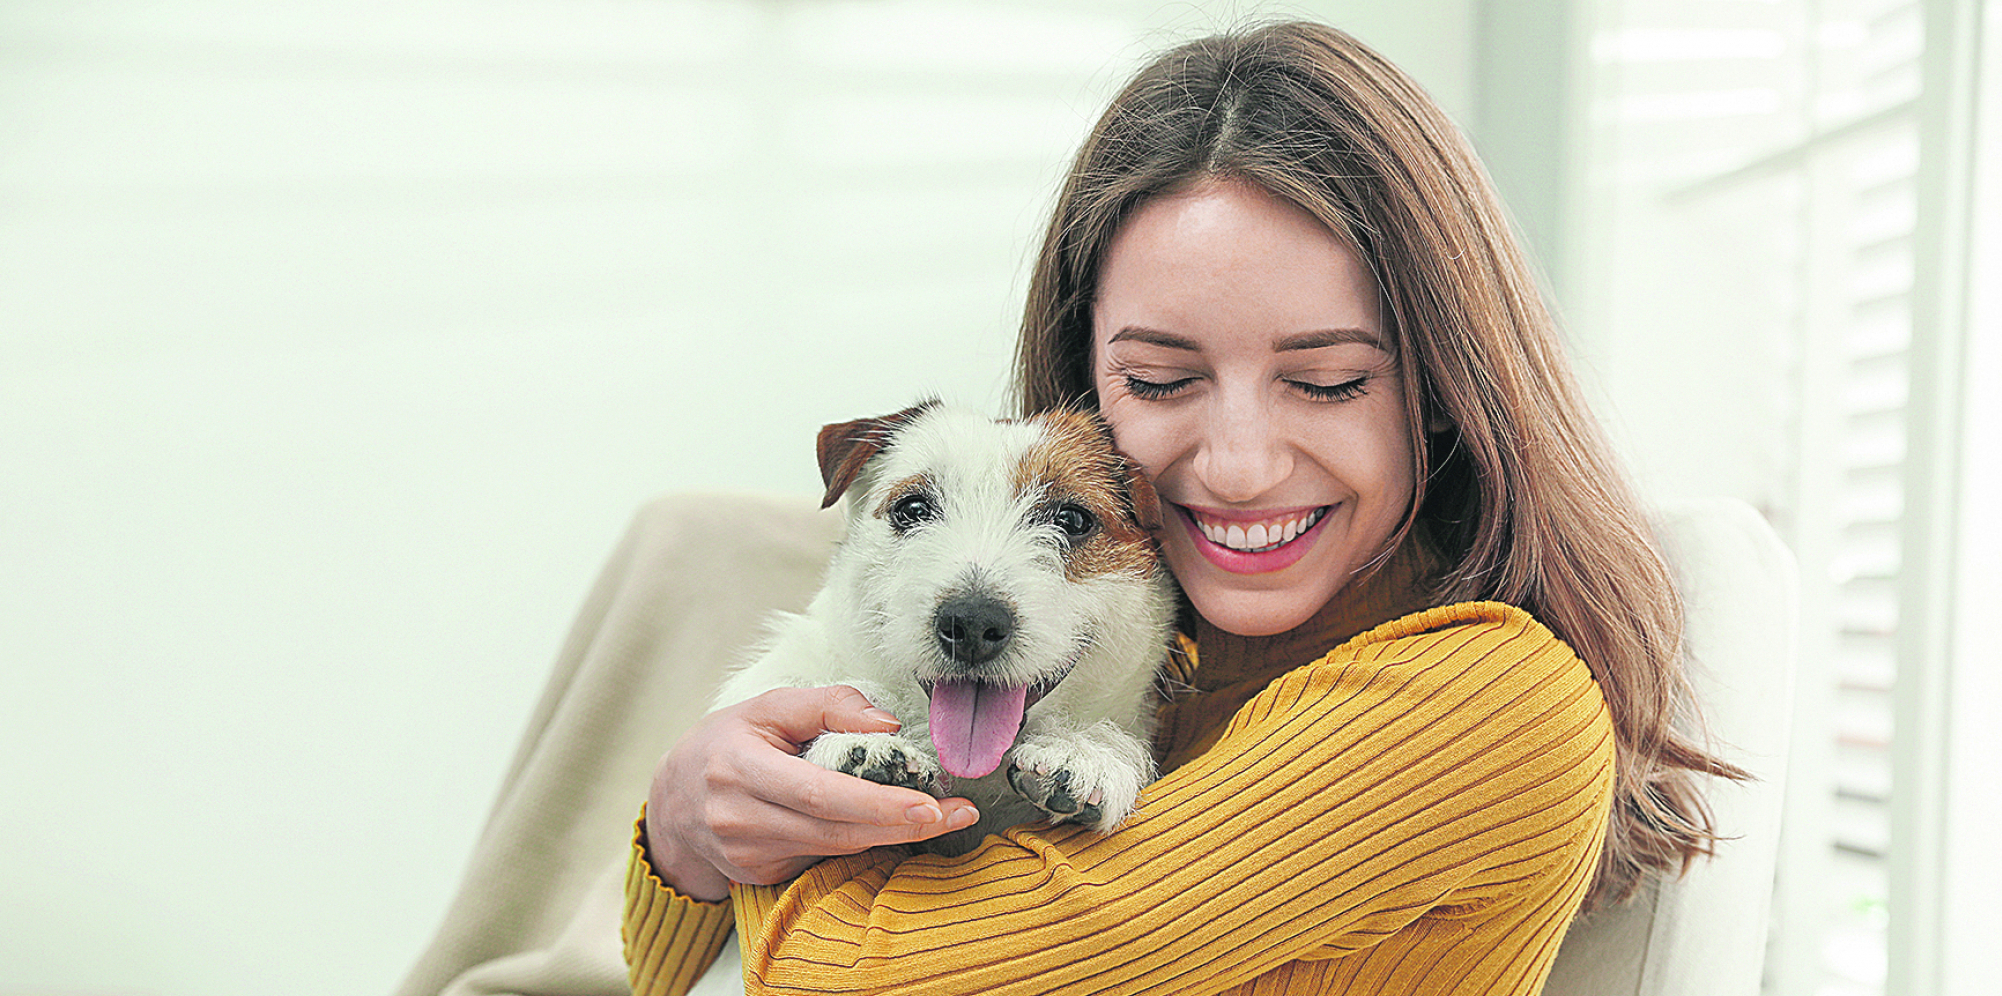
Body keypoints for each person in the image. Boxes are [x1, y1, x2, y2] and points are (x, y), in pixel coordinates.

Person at [626, 20, 1739, 996]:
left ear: (1446, 392)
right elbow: (654, 965)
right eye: (1160, 381)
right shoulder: (1144, 653)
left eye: (1328, 379)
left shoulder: (1481, 701)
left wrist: (737, 830)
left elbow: (850, 982)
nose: (1241, 466)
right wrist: (681, 836)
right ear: (1086, 383)